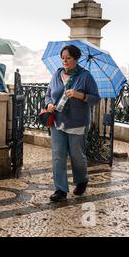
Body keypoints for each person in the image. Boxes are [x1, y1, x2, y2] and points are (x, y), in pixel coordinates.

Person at [44, 45, 101, 202]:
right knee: (58, 156)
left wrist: (79, 95)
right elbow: (48, 94)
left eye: (68, 58)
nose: (65, 61)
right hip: (58, 122)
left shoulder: (85, 76)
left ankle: (82, 179)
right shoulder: (57, 74)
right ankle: (60, 190)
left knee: (77, 156)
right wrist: (49, 104)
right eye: (63, 58)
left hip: (77, 123)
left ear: (76, 59)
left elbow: (96, 98)